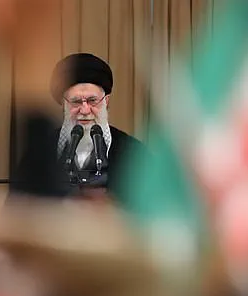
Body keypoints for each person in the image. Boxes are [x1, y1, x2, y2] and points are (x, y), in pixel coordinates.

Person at [9, 53, 146, 203]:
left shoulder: (135, 154)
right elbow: (15, 209)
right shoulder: (38, 153)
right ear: (63, 104)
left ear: (106, 101)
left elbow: (154, 210)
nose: (85, 110)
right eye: (76, 102)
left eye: (92, 101)